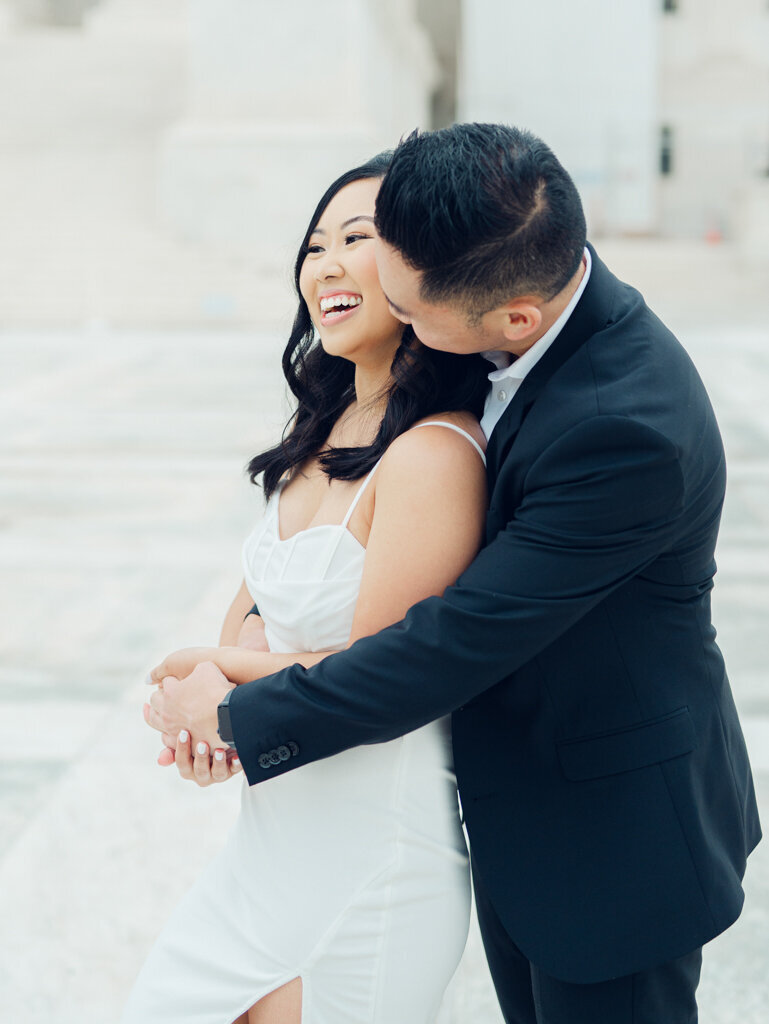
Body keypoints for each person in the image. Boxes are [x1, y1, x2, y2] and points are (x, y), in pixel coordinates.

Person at [147, 124, 761, 1024]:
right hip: (505, 809)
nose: (372, 295)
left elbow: (443, 645)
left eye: (408, 300)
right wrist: (224, 659)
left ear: (513, 318)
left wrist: (232, 711)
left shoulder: (625, 429)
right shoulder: (507, 272)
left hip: (610, 831)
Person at [124, 152, 493, 1023]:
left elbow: (374, 673)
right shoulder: (317, 430)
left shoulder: (435, 454)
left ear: (418, 273)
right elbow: (260, 601)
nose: (323, 264)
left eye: (356, 239)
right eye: (314, 243)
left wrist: (211, 671)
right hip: (266, 851)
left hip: (370, 861)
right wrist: (215, 690)